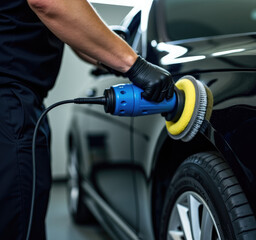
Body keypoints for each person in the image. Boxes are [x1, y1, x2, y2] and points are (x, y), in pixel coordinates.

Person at [0, 0, 174, 239]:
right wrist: (134, 64)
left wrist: (113, 54)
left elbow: (71, 31)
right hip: (8, 104)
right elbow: (49, 2)